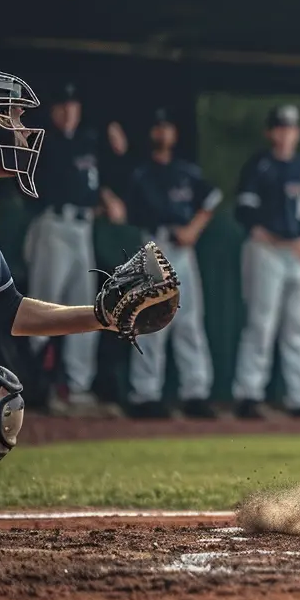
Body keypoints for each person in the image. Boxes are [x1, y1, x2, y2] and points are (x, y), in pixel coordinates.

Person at [0, 70, 168, 491]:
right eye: (7, 119)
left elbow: (11, 311)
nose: (21, 131)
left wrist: (102, 316)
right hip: (58, 228)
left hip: (74, 228)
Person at [21, 81, 127, 417]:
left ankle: (77, 388)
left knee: (86, 309)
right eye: (62, 106)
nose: (68, 112)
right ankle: (35, 386)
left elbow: (108, 171)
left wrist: (106, 195)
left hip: (83, 228)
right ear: (53, 111)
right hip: (53, 225)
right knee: (46, 306)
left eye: (74, 106)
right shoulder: (44, 142)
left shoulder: (88, 141)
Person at [122, 108, 219, 420]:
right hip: (153, 245)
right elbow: (125, 212)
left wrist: (194, 228)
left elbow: (212, 199)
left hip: (183, 248)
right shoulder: (141, 172)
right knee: (151, 320)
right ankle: (145, 394)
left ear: (174, 134)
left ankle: (196, 393)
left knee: (190, 322)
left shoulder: (186, 172)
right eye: (157, 128)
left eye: (167, 127)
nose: (162, 133)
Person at [230, 104, 300, 419]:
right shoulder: (259, 165)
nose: (285, 135)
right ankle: (248, 394)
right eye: (280, 128)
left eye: (291, 128)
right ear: (270, 132)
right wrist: (280, 238)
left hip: (297, 253)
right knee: (262, 322)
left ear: (297, 133)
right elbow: (245, 212)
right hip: (266, 249)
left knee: (298, 326)